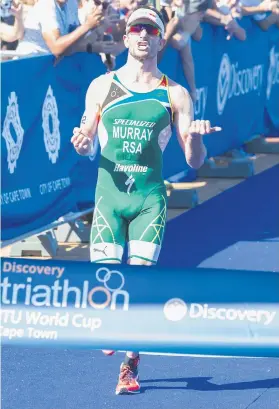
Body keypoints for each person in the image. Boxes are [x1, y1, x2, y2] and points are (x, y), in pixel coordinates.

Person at [71, 5, 221, 395]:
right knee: (104, 288)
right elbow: (87, 140)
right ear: (125, 37)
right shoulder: (102, 87)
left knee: (138, 285)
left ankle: (129, 367)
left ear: (160, 40)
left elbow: (195, 161)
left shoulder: (175, 93)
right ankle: (109, 324)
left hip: (149, 202)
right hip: (108, 199)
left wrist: (196, 138)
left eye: (151, 31)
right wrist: (83, 143)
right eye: (136, 29)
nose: (143, 36)